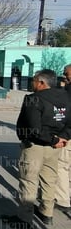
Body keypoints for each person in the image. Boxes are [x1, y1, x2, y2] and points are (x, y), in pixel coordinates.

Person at [1, 69, 71, 229]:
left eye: (33, 81)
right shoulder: (65, 97)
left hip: (36, 147)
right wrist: (62, 139)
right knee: (49, 179)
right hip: (55, 147)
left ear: (41, 82)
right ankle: (47, 212)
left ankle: (24, 218)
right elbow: (69, 124)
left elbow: (33, 129)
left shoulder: (33, 99)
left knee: (29, 181)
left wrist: (55, 139)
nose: (32, 83)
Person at [55, 64, 71, 214]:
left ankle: (62, 199)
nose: (65, 76)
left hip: (68, 135)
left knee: (62, 166)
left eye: (67, 74)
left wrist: (64, 135)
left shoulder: (68, 91)